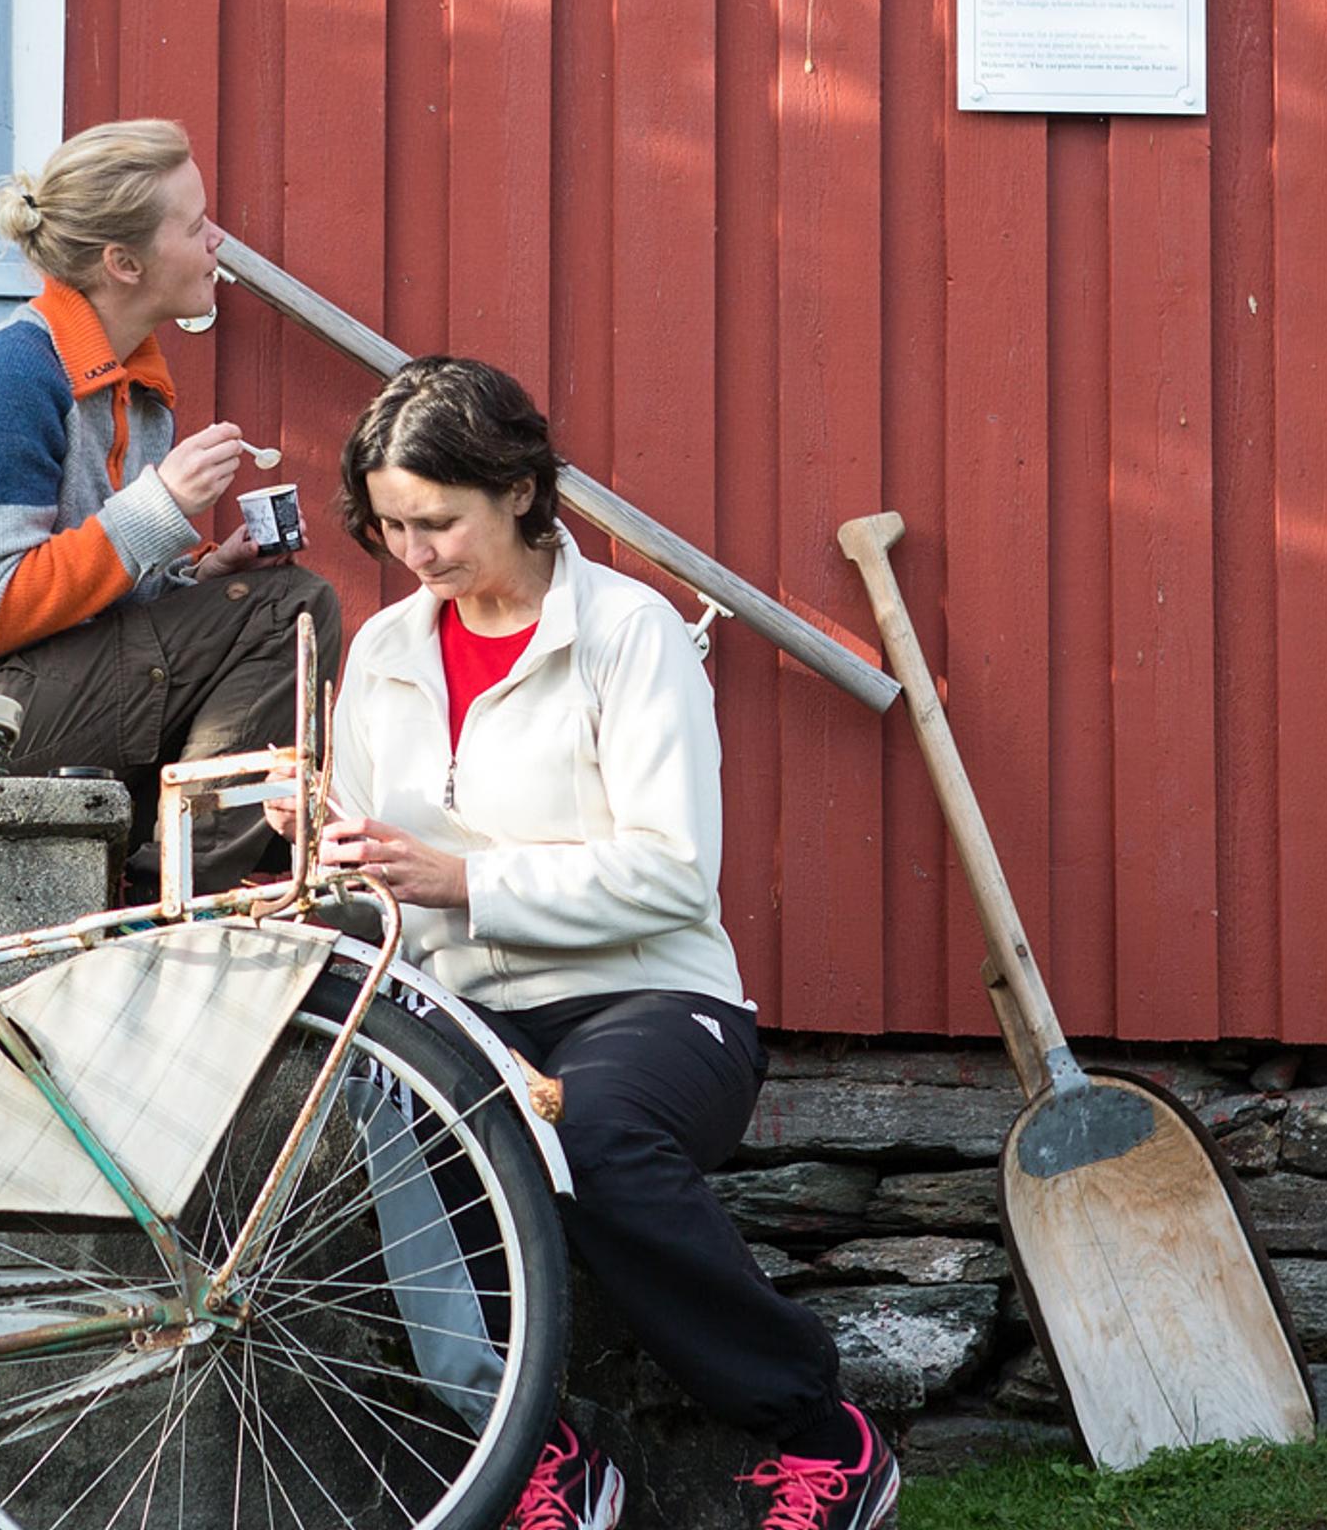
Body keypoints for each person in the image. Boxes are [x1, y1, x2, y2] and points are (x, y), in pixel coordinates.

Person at [279, 355, 897, 1530]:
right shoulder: (381, 654)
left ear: (517, 488)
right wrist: (325, 842)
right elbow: (378, 885)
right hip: (461, 1005)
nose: (416, 552)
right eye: (394, 524)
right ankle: (533, 1456)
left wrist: (467, 879)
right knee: (385, 1109)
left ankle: (824, 1436)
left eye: (440, 520)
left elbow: (673, 871)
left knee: (592, 1132)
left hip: (655, 1003)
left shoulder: (628, 630)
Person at [0, 117, 341, 893]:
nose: (217, 240)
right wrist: (163, 504)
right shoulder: (16, 373)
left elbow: (101, 609)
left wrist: (204, 570)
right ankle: (168, 894)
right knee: (289, 609)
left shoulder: (137, 392)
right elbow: (2, 605)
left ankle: (166, 874)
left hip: (25, 689)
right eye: (194, 225)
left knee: (268, 601)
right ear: (123, 262)